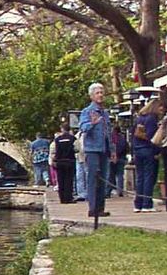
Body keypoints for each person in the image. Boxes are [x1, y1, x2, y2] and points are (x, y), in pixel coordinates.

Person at [78, 82, 113, 217]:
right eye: (97, 93)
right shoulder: (87, 111)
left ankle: (100, 208)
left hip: (104, 149)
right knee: (93, 178)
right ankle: (93, 208)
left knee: (103, 178)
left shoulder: (105, 113)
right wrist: (92, 123)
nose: (100, 95)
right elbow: (83, 128)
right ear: (92, 96)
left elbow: (108, 133)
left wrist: (112, 150)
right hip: (92, 149)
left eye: (102, 92)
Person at [132, 97, 163, 212]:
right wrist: (156, 151)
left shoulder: (139, 118)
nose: (162, 110)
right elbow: (152, 138)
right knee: (149, 177)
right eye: (160, 107)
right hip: (148, 150)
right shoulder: (151, 119)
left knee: (140, 177)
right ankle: (147, 204)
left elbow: (133, 135)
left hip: (138, 150)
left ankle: (138, 204)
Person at [53, 123, 77, 203]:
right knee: (69, 180)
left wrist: (55, 160)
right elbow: (77, 149)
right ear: (69, 129)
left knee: (61, 180)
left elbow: (56, 151)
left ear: (62, 129)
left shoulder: (57, 139)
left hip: (60, 161)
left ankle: (62, 198)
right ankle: (68, 198)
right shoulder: (73, 138)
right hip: (70, 161)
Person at [107, 125, 129, 198]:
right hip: (121, 158)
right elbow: (126, 147)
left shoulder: (111, 138)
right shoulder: (122, 138)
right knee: (120, 175)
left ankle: (108, 191)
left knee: (111, 175)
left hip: (111, 158)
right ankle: (120, 190)